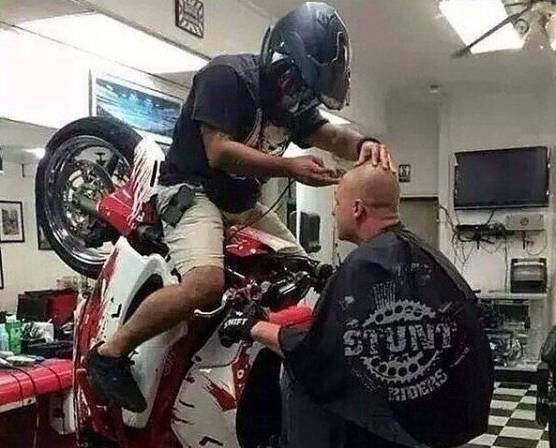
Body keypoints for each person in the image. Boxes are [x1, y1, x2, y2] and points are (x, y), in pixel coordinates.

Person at [86, 2, 394, 412]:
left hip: (242, 201)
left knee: (303, 270)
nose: (301, 99)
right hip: (191, 191)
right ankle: (109, 353)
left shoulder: (294, 100)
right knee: (204, 285)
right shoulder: (227, 77)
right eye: (300, 88)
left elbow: (331, 135)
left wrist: (363, 143)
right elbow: (219, 152)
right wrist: (288, 167)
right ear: (283, 63)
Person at [219, 163, 494, 448]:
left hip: (420, 421)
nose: (334, 211)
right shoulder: (420, 252)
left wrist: (251, 325)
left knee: (300, 371)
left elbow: (317, 354)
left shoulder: (365, 265)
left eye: (337, 201)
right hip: (460, 409)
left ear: (358, 208)